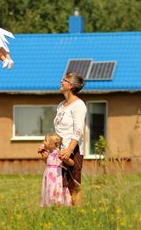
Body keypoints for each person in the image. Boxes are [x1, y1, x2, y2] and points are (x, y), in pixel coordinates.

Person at [54, 72, 87, 206]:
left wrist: (69, 149)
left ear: (71, 86)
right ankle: (64, 210)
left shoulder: (79, 105)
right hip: (60, 149)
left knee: (74, 184)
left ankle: (78, 213)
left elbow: (78, 130)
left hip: (73, 149)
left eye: (65, 80)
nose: (61, 81)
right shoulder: (61, 105)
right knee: (61, 183)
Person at [37, 133, 74, 207]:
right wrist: (42, 153)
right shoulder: (49, 153)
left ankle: (56, 203)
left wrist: (66, 159)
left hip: (56, 176)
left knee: (55, 188)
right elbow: (47, 162)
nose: (43, 142)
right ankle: (49, 203)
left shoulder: (59, 152)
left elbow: (72, 163)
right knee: (49, 188)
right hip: (48, 175)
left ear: (53, 144)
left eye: (46, 140)